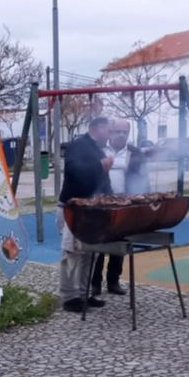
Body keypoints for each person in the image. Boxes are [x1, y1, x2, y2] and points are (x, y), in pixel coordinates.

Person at [57, 116, 114, 313]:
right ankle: (69, 297)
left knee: (90, 253)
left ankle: (84, 293)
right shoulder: (78, 145)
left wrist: (110, 197)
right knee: (72, 252)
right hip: (73, 208)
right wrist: (100, 165)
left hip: (92, 208)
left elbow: (102, 180)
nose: (110, 135)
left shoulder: (97, 149)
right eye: (108, 131)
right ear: (96, 128)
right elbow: (73, 171)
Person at [91, 120, 135, 296]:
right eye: (117, 131)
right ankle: (95, 282)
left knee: (119, 243)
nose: (121, 135)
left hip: (124, 204)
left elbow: (141, 177)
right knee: (99, 244)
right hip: (101, 204)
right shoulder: (99, 151)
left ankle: (113, 281)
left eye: (125, 132)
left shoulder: (134, 153)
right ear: (110, 132)